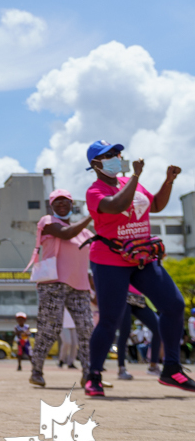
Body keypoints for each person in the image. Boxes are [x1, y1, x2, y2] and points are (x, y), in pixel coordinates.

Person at [83, 140, 195, 395]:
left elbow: (154, 205)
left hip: (141, 257)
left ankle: (171, 370)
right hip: (110, 259)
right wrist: (134, 175)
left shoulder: (129, 183)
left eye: (118, 153)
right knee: (110, 318)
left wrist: (168, 181)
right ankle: (94, 376)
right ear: (95, 164)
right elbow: (117, 206)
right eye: (110, 154)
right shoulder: (95, 191)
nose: (117, 156)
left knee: (174, 305)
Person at [25, 189, 95, 387]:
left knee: (86, 329)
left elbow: (99, 247)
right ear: (51, 205)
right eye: (57, 201)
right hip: (52, 283)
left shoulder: (85, 232)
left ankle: (89, 374)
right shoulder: (47, 222)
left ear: (73, 205)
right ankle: (36, 371)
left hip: (79, 285)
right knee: (50, 328)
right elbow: (66, 233)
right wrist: (92, 214)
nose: (62, 204)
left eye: (66, 201)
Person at [116, 287, 160, 380]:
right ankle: (121, 368)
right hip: (123, 295)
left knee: (158, 329)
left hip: (138, 297)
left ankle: (153, 366)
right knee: (125, 331)